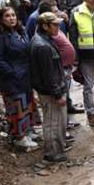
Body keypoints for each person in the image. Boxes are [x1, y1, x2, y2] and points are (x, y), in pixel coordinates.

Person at [0, 6, 38, 152]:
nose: (11, 18)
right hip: (11, 79)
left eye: (13, 15)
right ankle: (20, 137)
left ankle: (28, 131)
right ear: (1, 19)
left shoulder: (20, 32)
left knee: (28, 103)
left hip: (26, 76)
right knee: (17, 107)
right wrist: (12, 72)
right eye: (7, 16)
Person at [31, 12, 69, 162]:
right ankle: (53, 153)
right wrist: (58, 95)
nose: (58, 27)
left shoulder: (43, 40)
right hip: (50, 92)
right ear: (45, 26)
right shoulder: (43, 46)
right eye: (54, 25)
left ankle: (56, 149)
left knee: (53, 120)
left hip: (49, 89)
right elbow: (48, 75)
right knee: (53, 122)